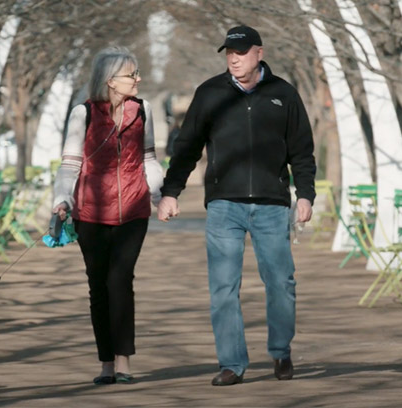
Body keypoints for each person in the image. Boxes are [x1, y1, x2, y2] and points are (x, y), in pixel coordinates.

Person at [157, 25, 316, 386]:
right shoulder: (210, 93)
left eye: (241, 52)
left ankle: (281, 351)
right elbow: (187, 149)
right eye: (229, 51)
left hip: (272, 205)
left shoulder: (284, 95)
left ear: (259, 53)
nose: (233, 58)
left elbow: (302, 151)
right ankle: (231, 364)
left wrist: (305, 194)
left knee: (281, 282)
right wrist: (171, 192)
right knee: (223, 287)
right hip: (223, 206)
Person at [52, 46, 163, 385]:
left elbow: (149, 159)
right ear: (111, 80)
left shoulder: (142, 111)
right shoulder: (81, 114)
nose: (138, 79)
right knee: (98, 286)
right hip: (90, 214)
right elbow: (70, 163)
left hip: (133, 210)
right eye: (133, 74)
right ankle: (105, 363)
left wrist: (160, 195)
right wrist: (62, 201)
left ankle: (124, 360)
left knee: (121, 281)